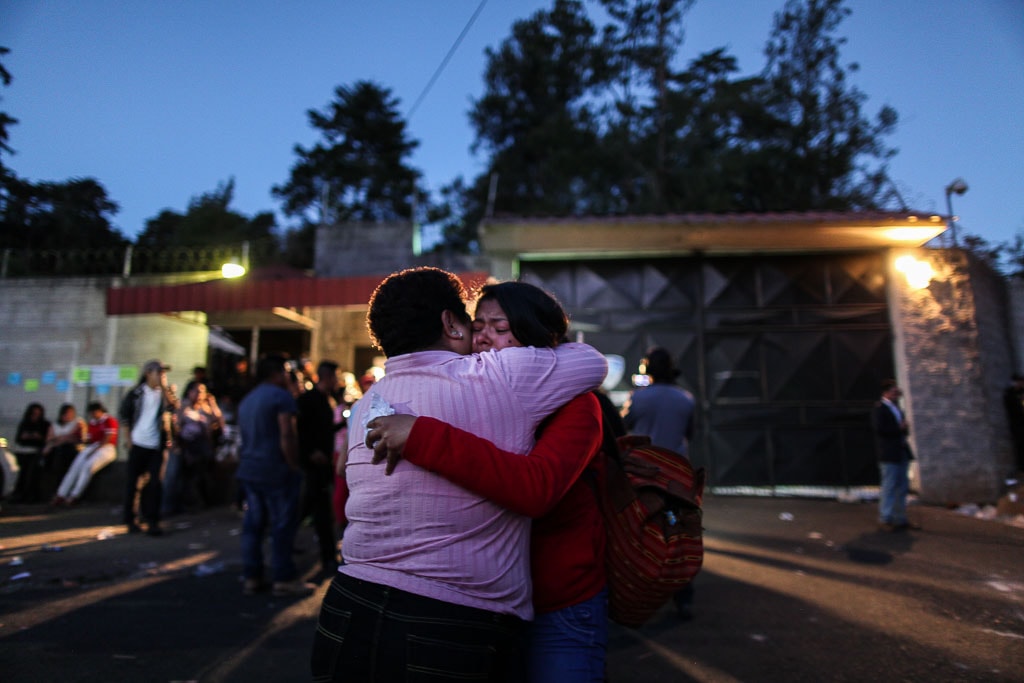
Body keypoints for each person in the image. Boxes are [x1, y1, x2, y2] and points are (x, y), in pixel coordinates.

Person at [310, 267, 608, 682]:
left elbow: (536, 487)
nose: (483, 337)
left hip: (351, 605)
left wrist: (421, 434)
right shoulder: (496, 379)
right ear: (451, 324)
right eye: (477, 324)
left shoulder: (369, 402)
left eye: (498, 327)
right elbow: (591, 359)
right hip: (453, 614)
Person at [621, 346, 697, 619]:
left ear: (647, 369)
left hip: (643, 476)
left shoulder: (638, 398)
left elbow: (623, 426)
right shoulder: (686, 398)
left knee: (641, 534)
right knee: (679, 535)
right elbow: (690, 432)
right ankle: (683, 596)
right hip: (677, 476)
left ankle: (640, 594)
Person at [236, 354, 314, 597]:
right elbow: (287, 435)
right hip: (275, 468)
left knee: (253, 525)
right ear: (276, 373)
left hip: (250, 467)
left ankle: (252, 576)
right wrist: (293, 464)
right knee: (282, 525)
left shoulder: (248, 399)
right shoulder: (281, 397)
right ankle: (283, 577)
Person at [119, 359, 179, 536]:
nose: (161, 375)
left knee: (155, 483)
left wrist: (165, 387)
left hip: (157, 445)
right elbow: (124, 416)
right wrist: (128, 439)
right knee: (133, 483)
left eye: (163, 372)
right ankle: (131, 519)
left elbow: (174, 408)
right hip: (138, 443)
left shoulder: (165, 394)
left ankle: (152, 520)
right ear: (147, 373)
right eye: (158, 372)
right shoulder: (136, 393)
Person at [296, 359, 341, 574]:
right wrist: (311, 452)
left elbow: (325, 430)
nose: (338, 381)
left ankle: (326, 555)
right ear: (328, 377)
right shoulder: (309, 400)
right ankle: (328, 557)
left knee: (314, 510)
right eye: (336, 376)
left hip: (322, 464)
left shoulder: (326, 400)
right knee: (319, 512)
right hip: (313, 466)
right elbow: (300, 430)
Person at [165, 381, 222, 514]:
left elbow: (218, 422)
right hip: (184, 446)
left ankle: (197, 502)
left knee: (199, 476)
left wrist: (212, 403)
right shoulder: (183, 406)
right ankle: (171, 505)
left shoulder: (205, 408)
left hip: (201, 448)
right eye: (197, 391)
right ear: (189, 392)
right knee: (176, 476)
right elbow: (176, 425)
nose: (200, 394)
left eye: (202, 391)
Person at [872, 379, 919, 532]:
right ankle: (886, 517)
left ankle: (900, 517)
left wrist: (904, 429)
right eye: (893, 391)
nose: (896, 394)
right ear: (886, 392)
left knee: (902, 486)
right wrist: (898, 428)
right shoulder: (880, 408)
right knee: (889, 485)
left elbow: (902, 430)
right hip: (889, 452)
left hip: (900, 450)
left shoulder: (897, 408)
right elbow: (880, 429)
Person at [52, 401, 118, 506]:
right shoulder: (92, 423)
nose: (93, 415)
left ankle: (75, 495)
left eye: (94, 412)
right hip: (92, 447)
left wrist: (94, 451)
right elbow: (88, 439)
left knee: (88, 467)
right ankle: (61, 494)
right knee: (75, 466)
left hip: (106, 448)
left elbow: (108, 438)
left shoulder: (109, 420)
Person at [41, 403, 86, 499]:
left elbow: (74, 438)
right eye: (67, 413)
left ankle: (65, 492)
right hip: (56, 450)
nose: (69, 415)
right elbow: (50, 439)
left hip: (72, 450)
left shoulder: (78, 423)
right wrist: (61, 439)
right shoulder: (55, 425)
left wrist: (60, 439)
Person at [13, 402, 50, 502]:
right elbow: (18, 439)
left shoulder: (44, 424)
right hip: (23, 451)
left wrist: (37, 438)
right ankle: (19, 495)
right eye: (34, 414)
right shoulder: (25, 423)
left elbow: (46, 440)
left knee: (31, 473)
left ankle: (30, 495)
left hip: (36, 452)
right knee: (22, 473)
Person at [1003, 373, 1024, 473]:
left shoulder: (1021, 392)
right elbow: (1013, 409)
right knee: (1020, 445)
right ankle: (1021, 467)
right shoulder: (1009, 394)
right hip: (1017, 424)